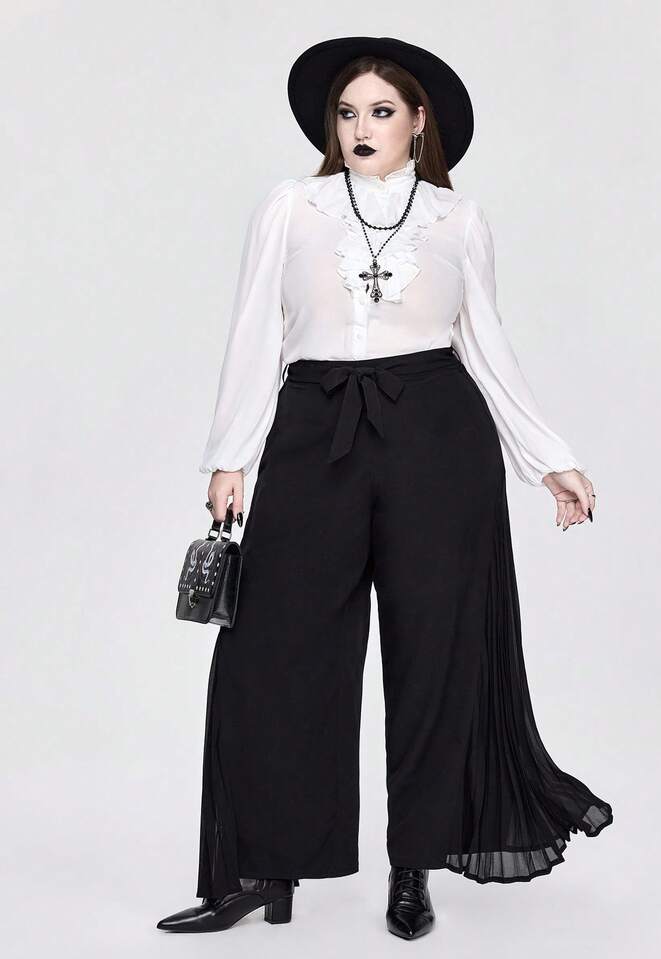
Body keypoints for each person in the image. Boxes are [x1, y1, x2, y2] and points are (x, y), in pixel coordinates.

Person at [157, 36, 613, 941]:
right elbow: (255, 329)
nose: (360, 127)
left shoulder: (458, 219)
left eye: (380, 111)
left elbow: (485, 343)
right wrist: (230, 455)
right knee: (274, 656)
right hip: (313, 428)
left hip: (438, 439)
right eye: (346, 112)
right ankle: (262, 867)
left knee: (433, 658)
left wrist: (548, 456)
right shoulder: (292, 208)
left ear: (418, 122)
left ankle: (416, 866)